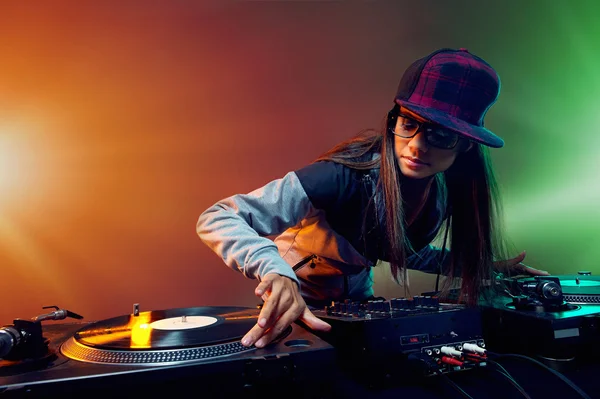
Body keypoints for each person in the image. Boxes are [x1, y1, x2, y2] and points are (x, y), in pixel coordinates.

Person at [196, 47, 548, 349]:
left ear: (467, 144)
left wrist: (479, 265)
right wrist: (275, 270)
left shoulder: (440, 192)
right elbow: (217, 217)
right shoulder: (342, 176)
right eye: (408, 123)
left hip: (357, 312)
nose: (416, 144)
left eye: (441, 134)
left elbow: (402, 249)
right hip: (296, 316)